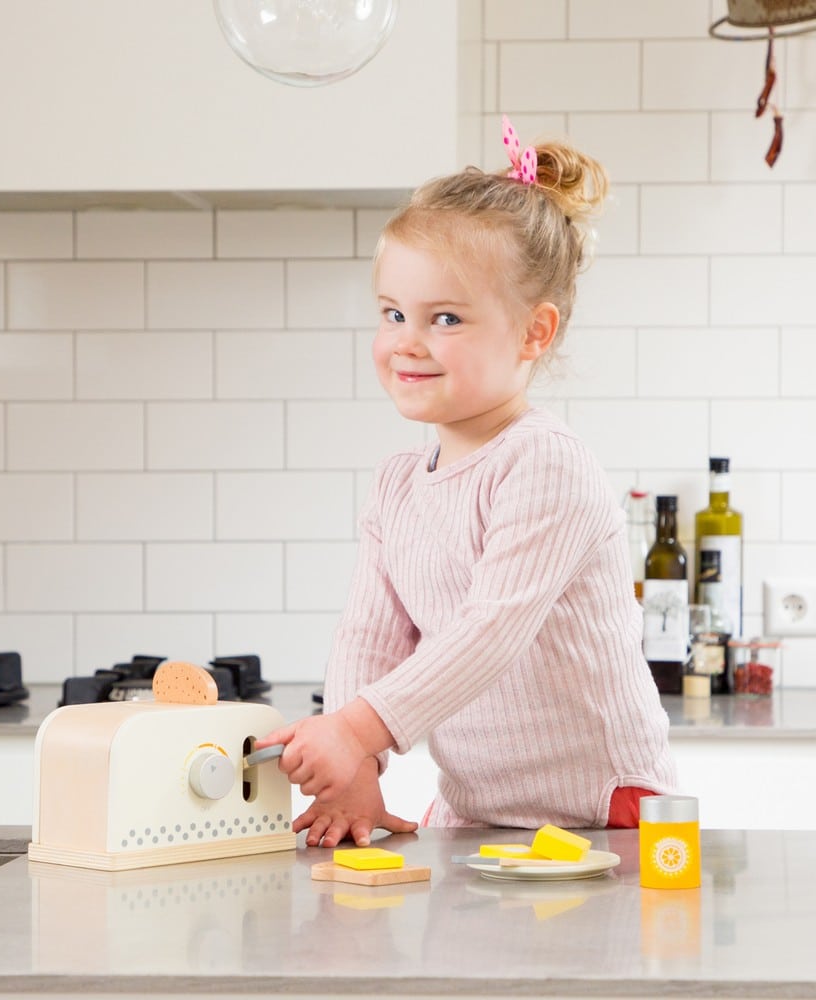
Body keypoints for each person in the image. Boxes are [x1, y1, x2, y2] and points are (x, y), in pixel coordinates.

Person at [255, 117, 677, 847]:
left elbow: (491, 632)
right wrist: (362, 763)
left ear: (533, 333)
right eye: (392, 314)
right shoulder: (397, 486)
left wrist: (354, 729)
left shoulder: (543, 462)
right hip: (478, 813)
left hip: (604, 814)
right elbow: (370, 634)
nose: (406, 342)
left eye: (445, 317)